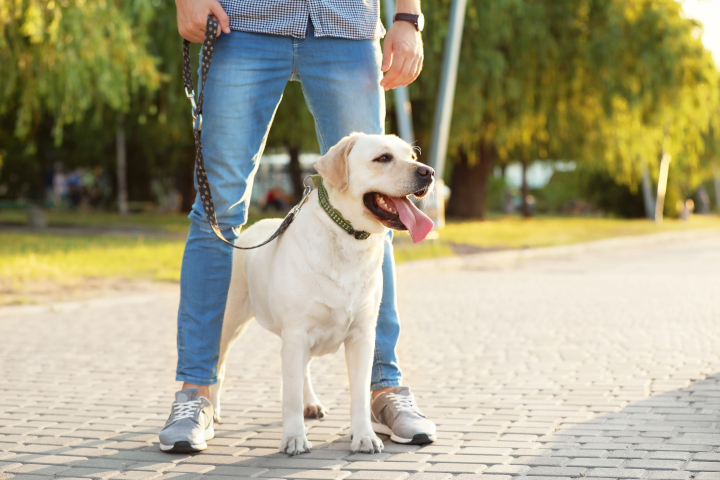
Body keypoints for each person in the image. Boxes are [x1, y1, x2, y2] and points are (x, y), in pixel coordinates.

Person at [159, 0, 437, 452]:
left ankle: (383, 388)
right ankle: (196, 393)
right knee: (218, 210)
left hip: (344, 22)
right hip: (242, 20)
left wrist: (407, 17)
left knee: (379, 205)